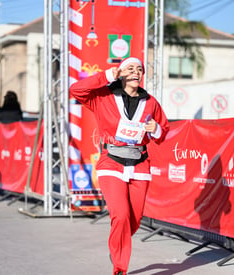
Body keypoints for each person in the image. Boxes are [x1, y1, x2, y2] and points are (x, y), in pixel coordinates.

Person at [69, 57, 169, 275]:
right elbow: (76, 90)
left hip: (140, 164)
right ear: (121, 72)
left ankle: (117, 244)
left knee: (133, 220)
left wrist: (156, 129)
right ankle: (120, 267)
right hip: (111, 162)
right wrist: (106, 76)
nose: (136, 72)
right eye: (130, 68)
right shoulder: (103, 96)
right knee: (120, 215)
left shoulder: (150, 102)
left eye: (139, 69)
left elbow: (163, 132)